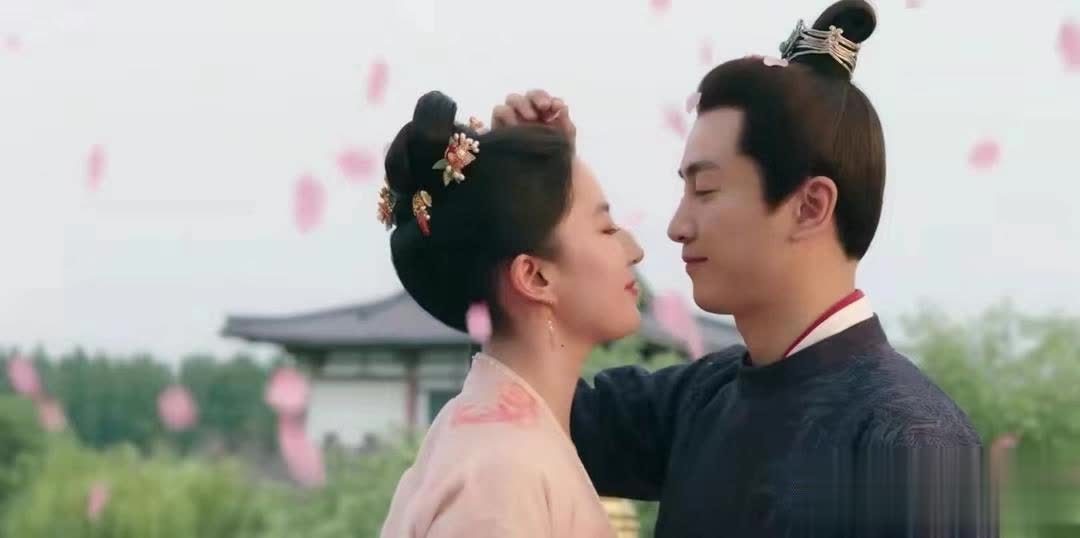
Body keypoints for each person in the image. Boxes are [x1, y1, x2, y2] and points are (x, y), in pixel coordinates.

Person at [492, 1, 990, 536]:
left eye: (705, 189)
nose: (677, 226)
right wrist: (538, 192)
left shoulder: (915, 439)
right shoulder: (702, 397)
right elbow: (530, 406)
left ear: (810, 206)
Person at [377, 90, 644, 537]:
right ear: (534, 276)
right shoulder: (502, 474)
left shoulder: (499, 445)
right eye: (606, 228)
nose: (634, 250)